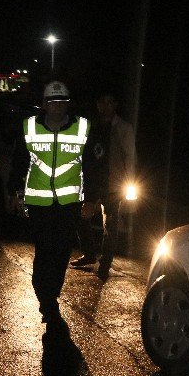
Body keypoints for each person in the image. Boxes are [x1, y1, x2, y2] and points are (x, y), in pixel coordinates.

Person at [7, 81, 104, 327]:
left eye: (61, 102)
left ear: (67, 104)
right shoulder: (30, 127)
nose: (57, 107)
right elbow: (19, 161)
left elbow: (92, 167)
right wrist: (11, 192)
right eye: (52, 102)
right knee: (43, 251)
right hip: (38, 202)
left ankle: (50, 295)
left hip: (69, 203)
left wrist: (92, 199)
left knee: (61, 252)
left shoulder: (82, 128)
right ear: (44, 104)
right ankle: (45, 296)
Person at [70, 90, 136, 278]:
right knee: (81, 215)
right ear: (98, 104)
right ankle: (89, 253)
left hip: (113, 183)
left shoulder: (123, 128)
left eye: (109, 102)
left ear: (115, 104)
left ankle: (105, 263)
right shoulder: (92, 125)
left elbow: (130, 156)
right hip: (91, 180)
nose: (105, 106)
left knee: (111, 223)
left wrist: (129, 182)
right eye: (102, 102)